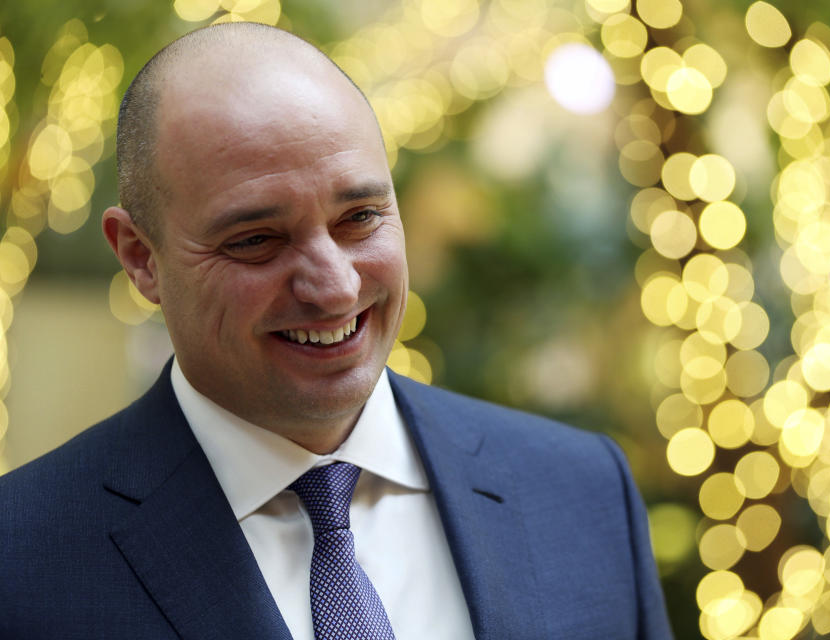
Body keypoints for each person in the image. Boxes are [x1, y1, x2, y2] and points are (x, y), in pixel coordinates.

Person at [0, 22, 672, 639]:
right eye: (258, 240)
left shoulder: (583, 497)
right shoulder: (23, 558)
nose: (335, 287)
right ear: (140, 257)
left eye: (360, 219)